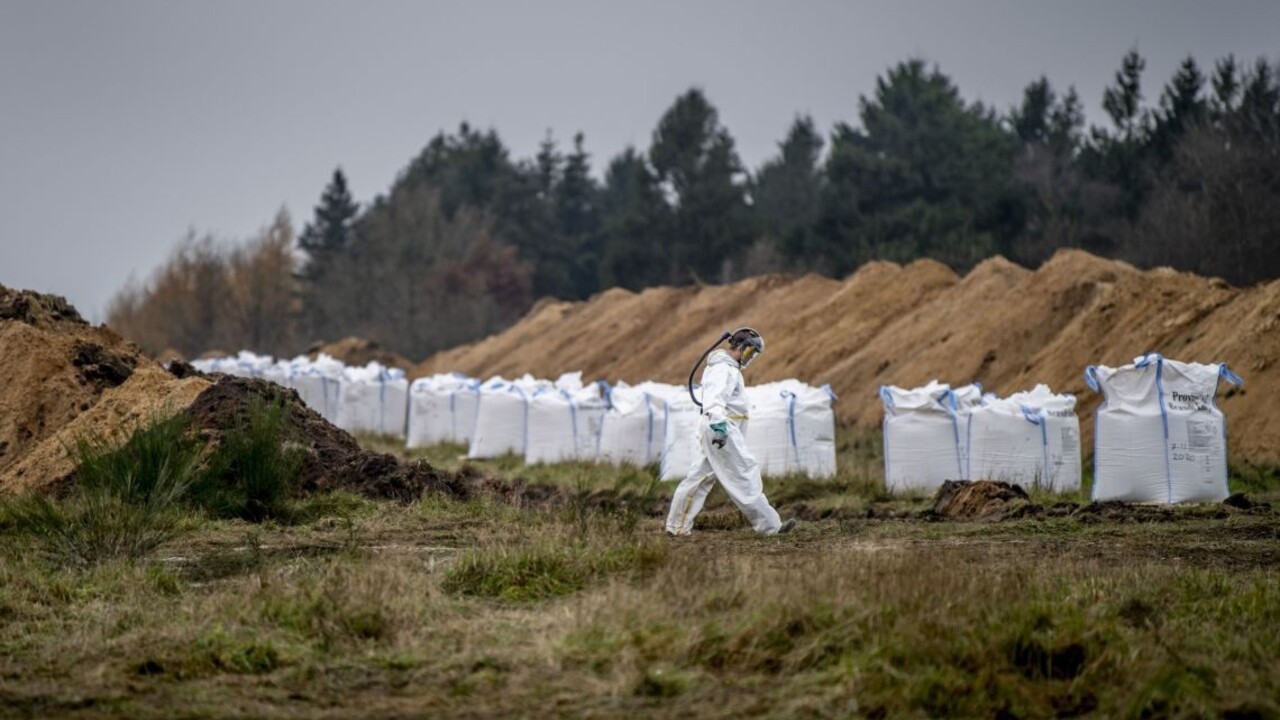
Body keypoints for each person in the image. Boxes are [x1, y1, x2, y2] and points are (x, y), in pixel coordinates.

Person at [665, 328, 796, 536]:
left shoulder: (726, 368)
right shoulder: (723, 369)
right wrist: (719, 427)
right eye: (750, 352)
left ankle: (676, 527)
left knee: (699, 479)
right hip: (722, 430)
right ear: (740, 347)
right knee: (745, 474)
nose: (750, 357)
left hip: (717, 428)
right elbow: (714, 400)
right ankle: (771, 528)